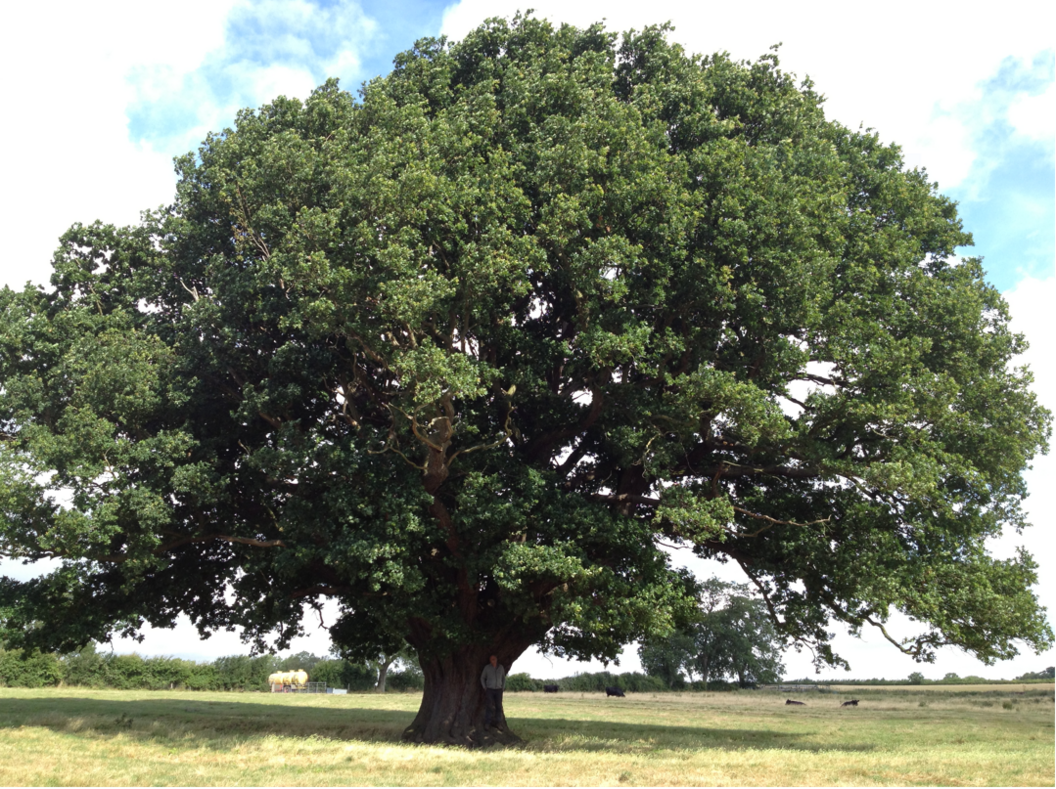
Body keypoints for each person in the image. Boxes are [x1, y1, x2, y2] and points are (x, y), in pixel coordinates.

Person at [480, 654, 506, 731]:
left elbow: (503, 678)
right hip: (490, 689)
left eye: (494, 659)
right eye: (491, 659)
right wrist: (484, 687)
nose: (493, 660)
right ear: (490, 660)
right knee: (489, 706)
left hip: (498, 689)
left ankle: (498, 723)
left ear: (496, 659)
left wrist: (503, 687)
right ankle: (487, 723)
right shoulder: (487, 668)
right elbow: (482, 678)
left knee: (498, 706)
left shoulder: (500, 667)